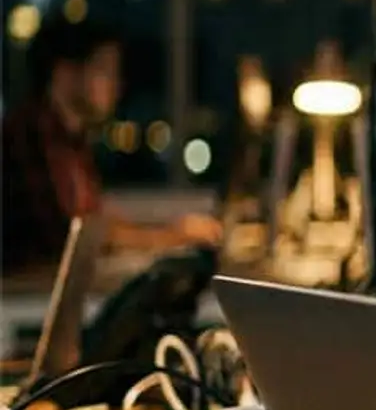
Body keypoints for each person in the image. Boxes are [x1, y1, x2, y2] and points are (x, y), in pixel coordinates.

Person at [2, 15, 223, 274]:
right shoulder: (33, 137)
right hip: (21, 300)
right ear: (65, 73)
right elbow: (74, 236)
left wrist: (168, 232)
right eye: (105, 69)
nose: (116, 85)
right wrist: (172, 236)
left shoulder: (71, 141)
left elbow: (96, 219)